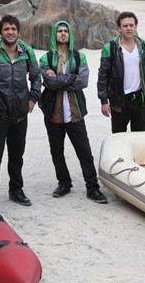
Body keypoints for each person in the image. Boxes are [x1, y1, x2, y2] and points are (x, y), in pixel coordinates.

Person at [0, 14, 42, 206]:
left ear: (18, 32)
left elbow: (37, 77)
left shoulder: (27, 52)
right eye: (6, 29)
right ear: (0, 32)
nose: (10, 32)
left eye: (13, 29)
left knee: (16, 155)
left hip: (21, 115)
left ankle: (16, 190)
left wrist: (33, 98)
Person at [39, 21, 108, 204]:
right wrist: (71, 77)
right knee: (57, 151)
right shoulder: (46, 58)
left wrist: (60, 78)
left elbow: (83, 81)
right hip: (53, 113)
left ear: (70, 34)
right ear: (55, 35)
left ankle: (92, 188)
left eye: (65, 31)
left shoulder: (79, 57)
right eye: (60, 31)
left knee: (84, 151)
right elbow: (49, 83)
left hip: (75, 112)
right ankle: (64, 183)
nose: (63, 34)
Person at [97, 11, 145, 133]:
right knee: (119, 139)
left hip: (139, 100)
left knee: (139, 139)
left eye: (131, 25)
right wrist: (104, 101)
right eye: (125, 26)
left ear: (136, 27)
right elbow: (103, 76)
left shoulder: (143, 45)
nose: (129, 28)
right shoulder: (110, 48)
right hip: (119, 101)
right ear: (119, 28)